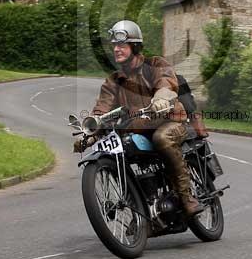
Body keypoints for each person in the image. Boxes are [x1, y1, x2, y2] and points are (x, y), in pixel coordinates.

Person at [75, 20, 203, 217]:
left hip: (170, 122)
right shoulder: (113, 81)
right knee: (120, 153)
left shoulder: (155, 64)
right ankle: (142, 214)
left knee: (162, 138)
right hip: (138, 129)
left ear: (134, 46)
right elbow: (102, 109)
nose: (116, 49)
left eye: (121, 45)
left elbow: (166, 82)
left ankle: (186, 198)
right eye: (114, 45)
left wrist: (161, 99)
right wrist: (90, 133)